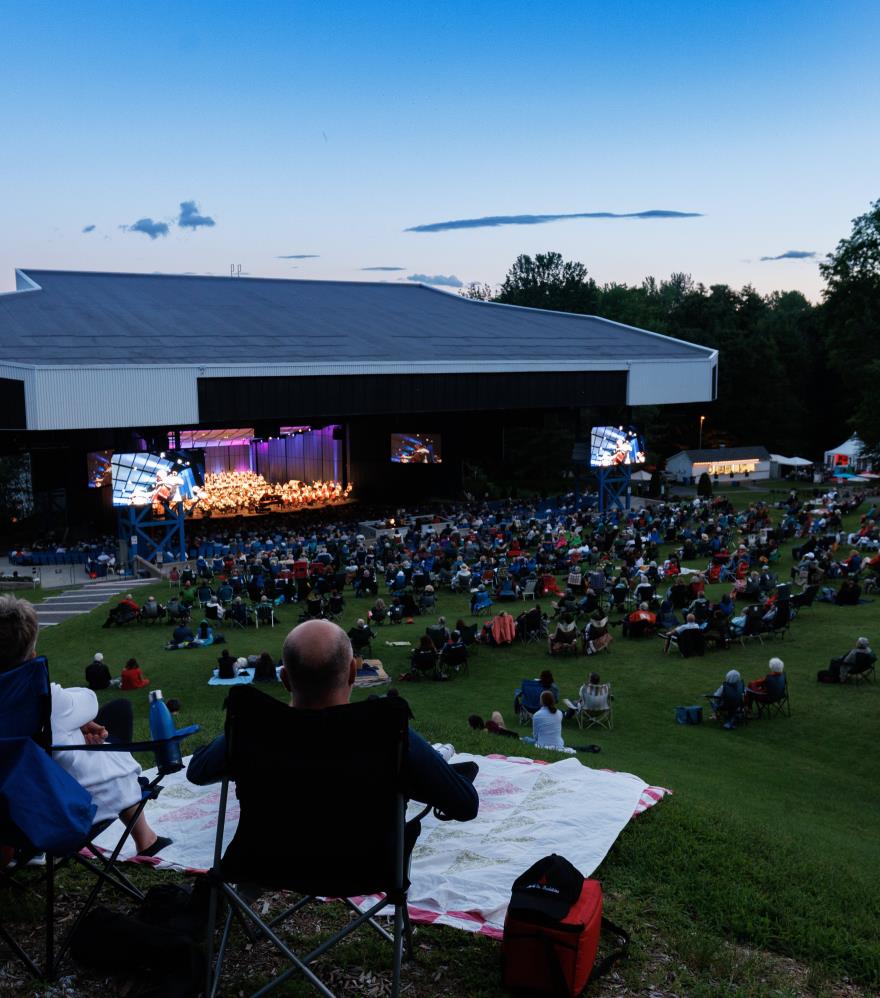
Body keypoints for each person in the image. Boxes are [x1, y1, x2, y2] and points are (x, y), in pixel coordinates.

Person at [187, 619, 479, 822]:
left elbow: (197, 771)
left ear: (285, 679)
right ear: (353, 673)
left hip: (271, 861)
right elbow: (465, 804)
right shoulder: (385, 730)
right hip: (366, 868)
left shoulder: (255, 729)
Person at [0, 596, 170, 856]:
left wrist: (68, 726)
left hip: (9, 806)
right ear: (32, 653)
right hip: (44, 808)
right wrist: (73, 721)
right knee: (113, 731)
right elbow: (89, 701)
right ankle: (146, 839)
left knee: (79, 737)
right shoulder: (42, 697)